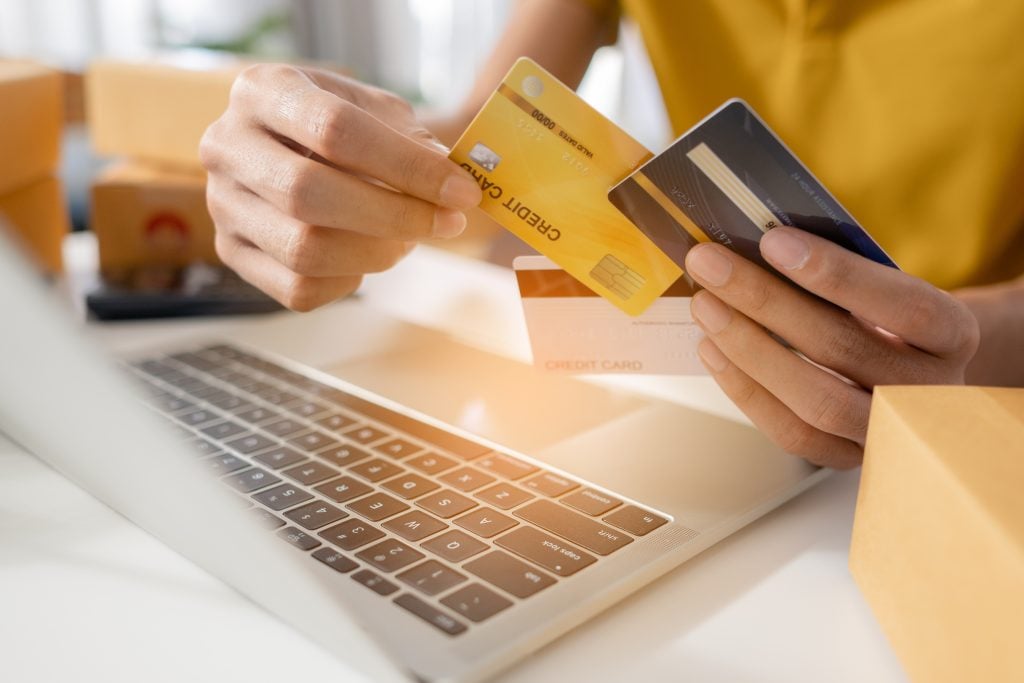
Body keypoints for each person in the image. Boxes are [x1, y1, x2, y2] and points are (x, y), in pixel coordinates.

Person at [199, 0, 1024, 469]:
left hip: (984, 428)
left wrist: (966, 341)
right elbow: (484, 155)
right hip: (718, 412)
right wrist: (331, 156)